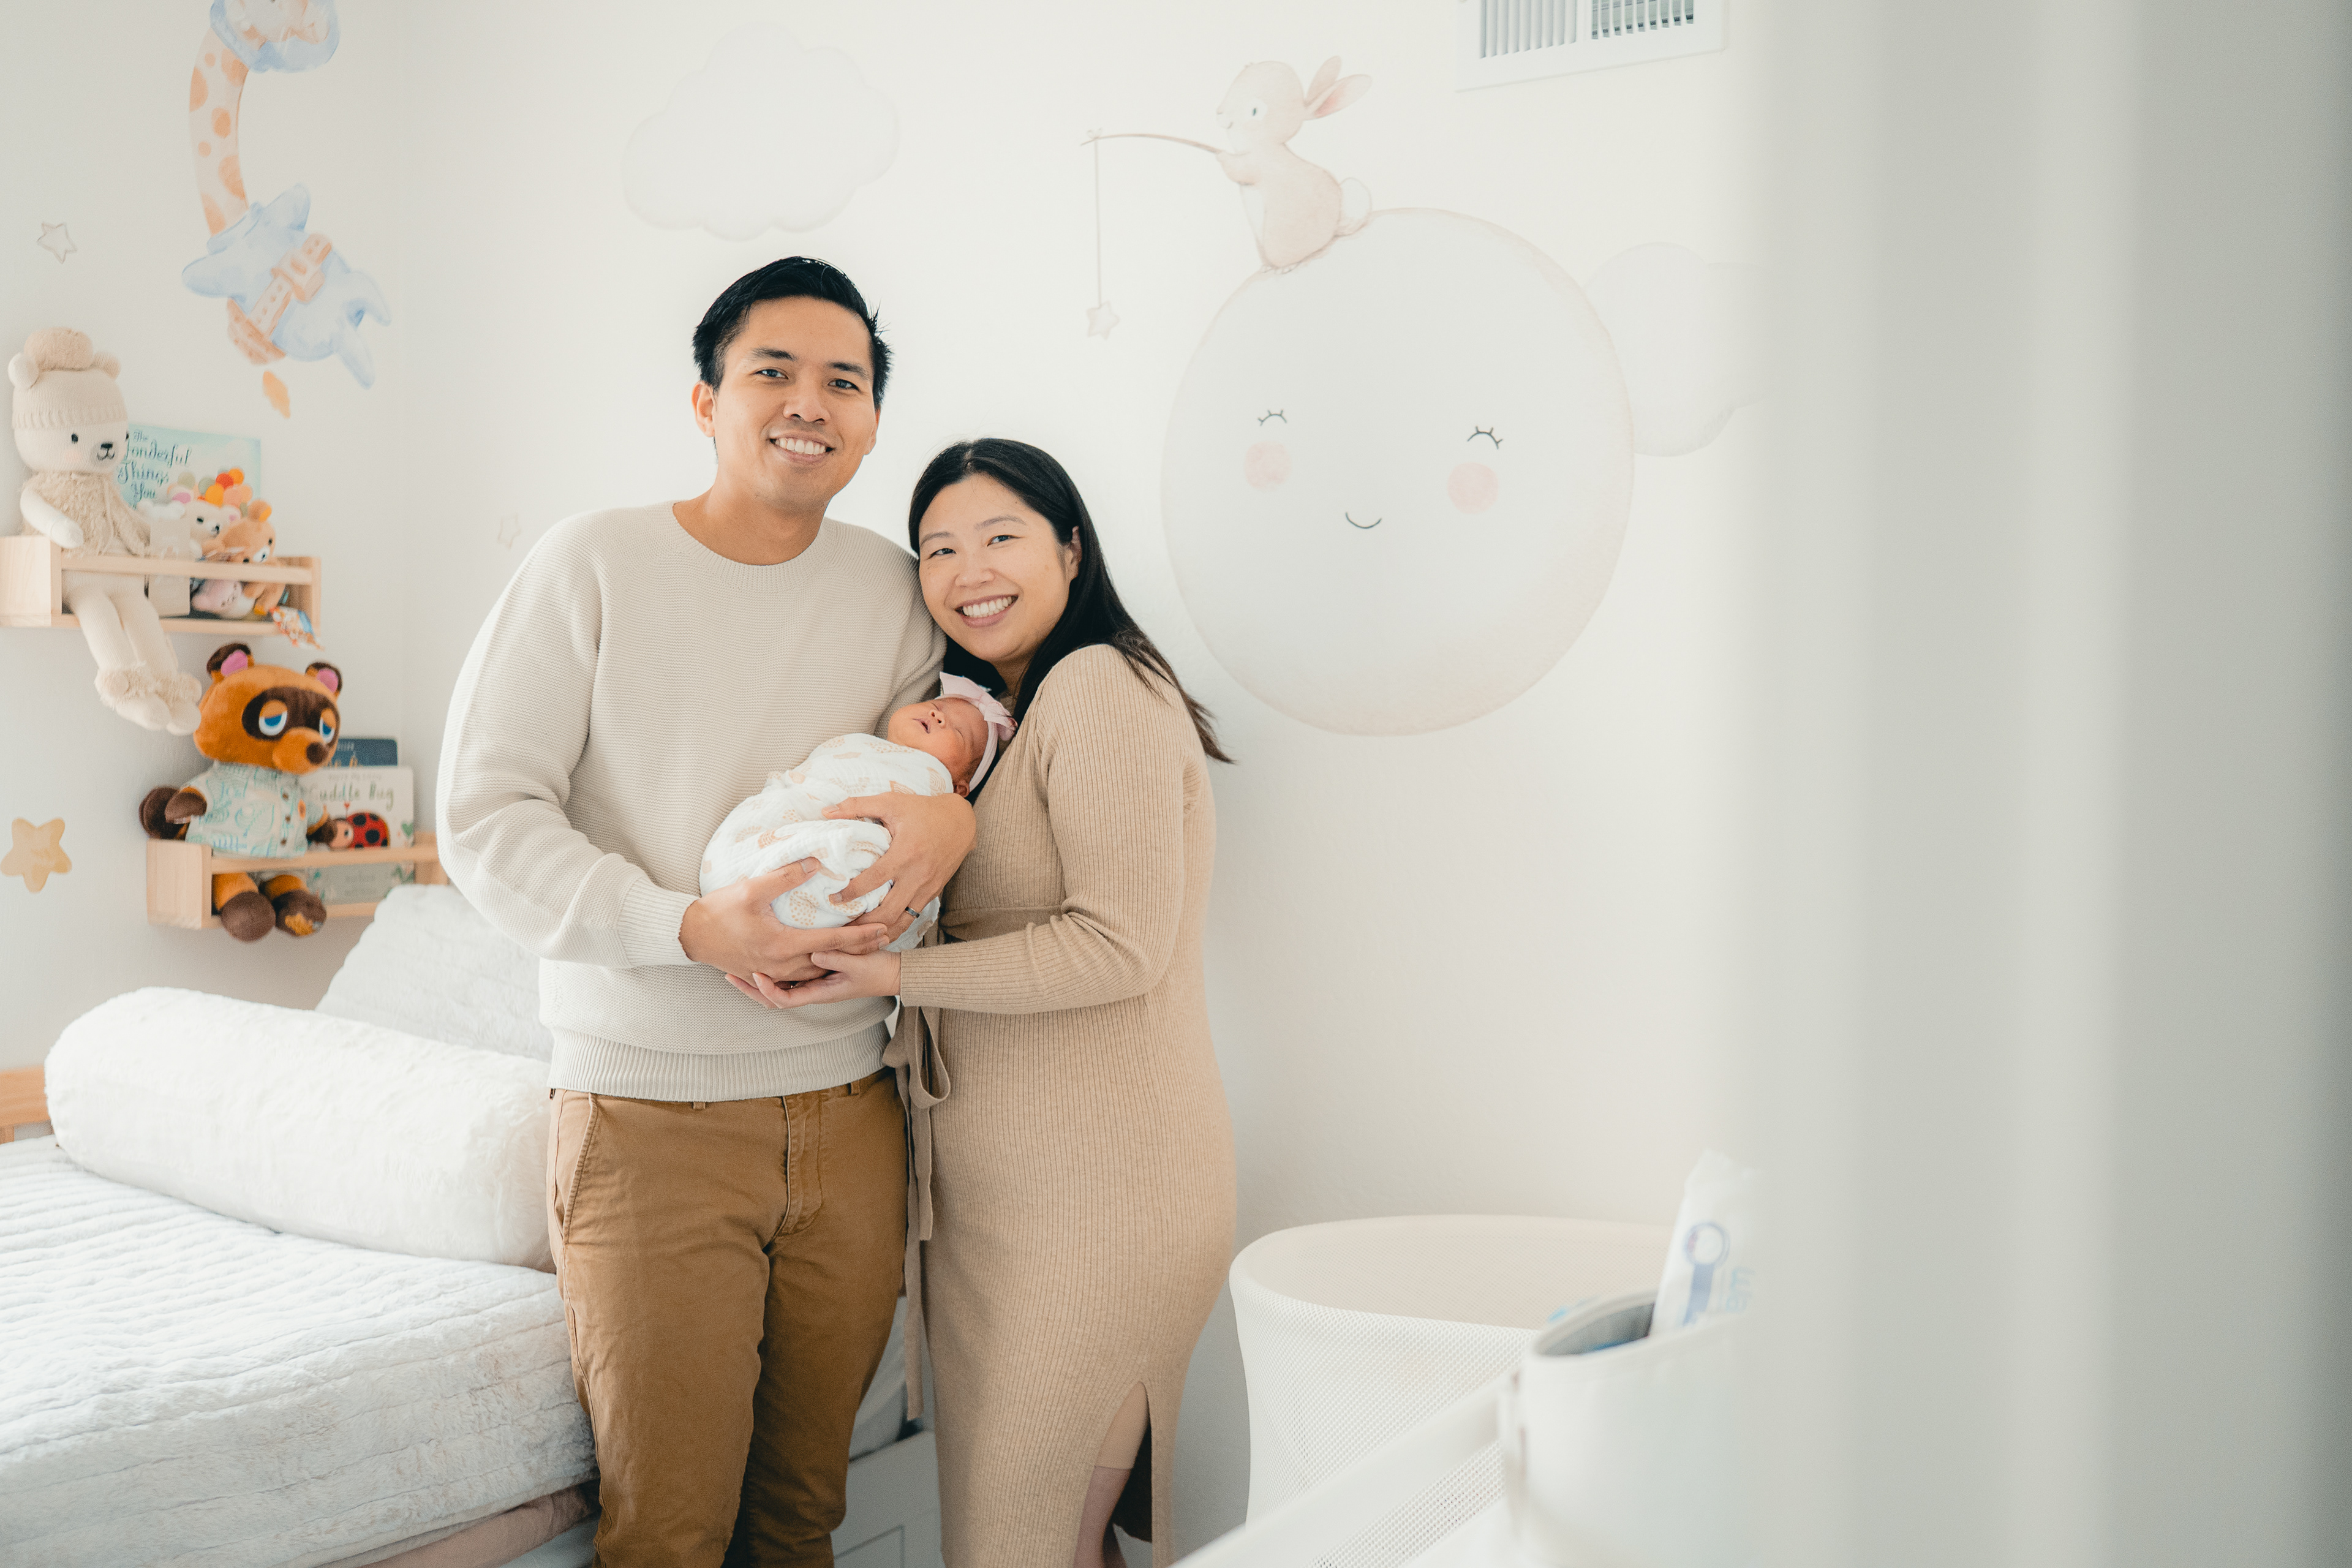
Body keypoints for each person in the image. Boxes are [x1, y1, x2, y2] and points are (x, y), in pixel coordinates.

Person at [437, 258, 974, 1567]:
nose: (809, 403)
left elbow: (934, 771)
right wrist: (687, 927)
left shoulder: (897, 589)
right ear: (706, 401)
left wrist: (954, 823)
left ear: (872, 419)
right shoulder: (594, 563)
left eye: (844, 381)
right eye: (771, 372)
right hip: (647, 1116)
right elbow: (486, 817)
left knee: (802, 1522)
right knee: (668, 1534)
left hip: (852, 1114)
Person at [745, 438, 1237, 1568]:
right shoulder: (989, 724)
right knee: (1037, 1543)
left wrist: (890, 977)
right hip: (1002, 1207)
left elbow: (1119, 947)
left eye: (1001, 537)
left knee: (1020, 1544)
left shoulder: (1099, 686)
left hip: (1102, 1199)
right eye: (939, 549)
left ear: (1071, 550)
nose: (969, 571)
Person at [698, 679, 1018, 946]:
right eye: (937, 705)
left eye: (958, 732)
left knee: (870, 862)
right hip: (800, 820)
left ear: (959, 789)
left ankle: (820, 896)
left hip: (855, 860)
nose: (937, 716)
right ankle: (748, 866)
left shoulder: (932, 786)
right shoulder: (861, 745)